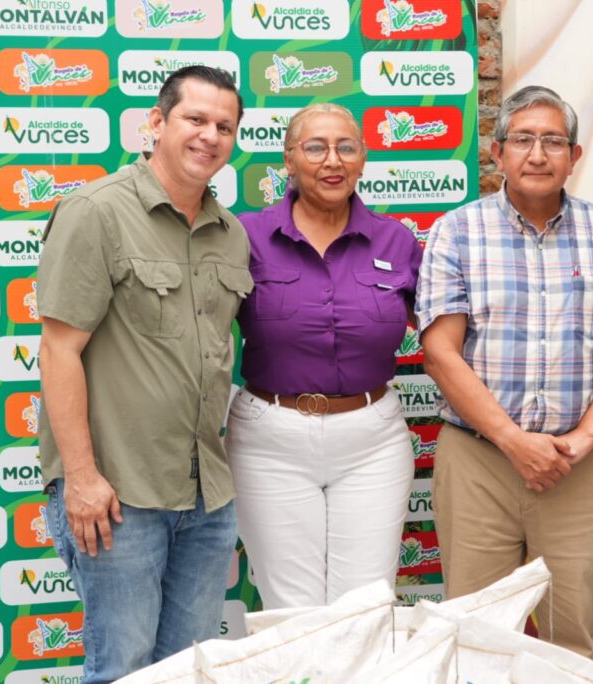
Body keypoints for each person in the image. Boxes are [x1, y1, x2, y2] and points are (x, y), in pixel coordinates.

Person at [416, 86, 593, 658]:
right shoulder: (457, 231)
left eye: (553, 141)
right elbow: (441, 351)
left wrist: (584, 439)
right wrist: (512, 440)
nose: (538, 154)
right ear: (497, 153)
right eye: (523, 140)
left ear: (575, 156)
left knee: (571, 642)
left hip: (578, 464)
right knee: (474, 637)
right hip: (479, 461)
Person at [38, 66, 252, 682]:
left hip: (206, 495)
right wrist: (81, 478)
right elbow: (58, 351)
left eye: (224, 127)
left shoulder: (231, 235)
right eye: (195, 119)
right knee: (122, 669)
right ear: (156, 123)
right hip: (117, 494)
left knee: (187, 669)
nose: (210, 136)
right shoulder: (96, 212)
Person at [226, 103, 421, 608]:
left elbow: (445, 335)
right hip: (270, 441)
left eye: (346, 147)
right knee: (294, 612)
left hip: (372, 442)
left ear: (363, 159)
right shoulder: (245, 237)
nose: (332, 160)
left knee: (365, 607)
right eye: (315, 148)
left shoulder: (396, 241)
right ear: (289, 159)